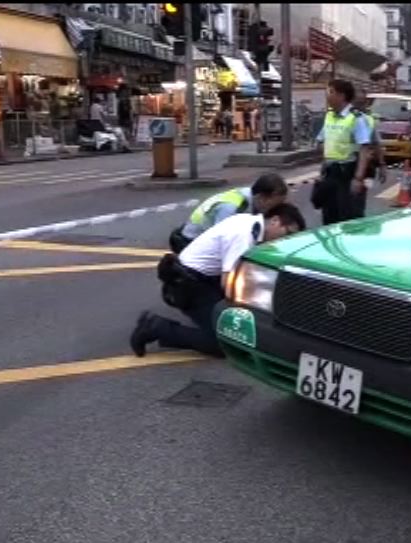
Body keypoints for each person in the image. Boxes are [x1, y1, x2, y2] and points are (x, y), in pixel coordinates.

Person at [131, 204, 307, 358]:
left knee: (231, 327)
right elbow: (228, 283)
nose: (286, 240)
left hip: (199, 280)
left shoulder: (248, 221)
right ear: (275, 221)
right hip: (188, 285)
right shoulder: (245, 235)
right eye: (288, 233)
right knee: (223, 342)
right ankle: (156, 327)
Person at [169, 173, 289, 254]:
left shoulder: (249, 198)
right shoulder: (233, 208)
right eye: (274, 204)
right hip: (190, 242)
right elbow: (222, 242)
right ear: (262, 197)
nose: (273, 210)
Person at [312, 79, 374, 225]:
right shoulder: (329, 116)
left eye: (331, 92)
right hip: (330, 173)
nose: (327, 96)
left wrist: (358, 178)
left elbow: (364, 148)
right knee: (328, 216)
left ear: (342, 96)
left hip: (347, 174)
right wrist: (322, 169)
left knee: (347, 218)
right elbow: (321, 141)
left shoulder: (356, 118)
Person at [353, 94, 387, 185]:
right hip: (345, 168)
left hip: (365, 169)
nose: (359, 107)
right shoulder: (342, 119)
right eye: (357, 104)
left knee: (359, 195)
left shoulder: (367, 120)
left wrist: (381, 165)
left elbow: (377, 144)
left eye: (361, 103)